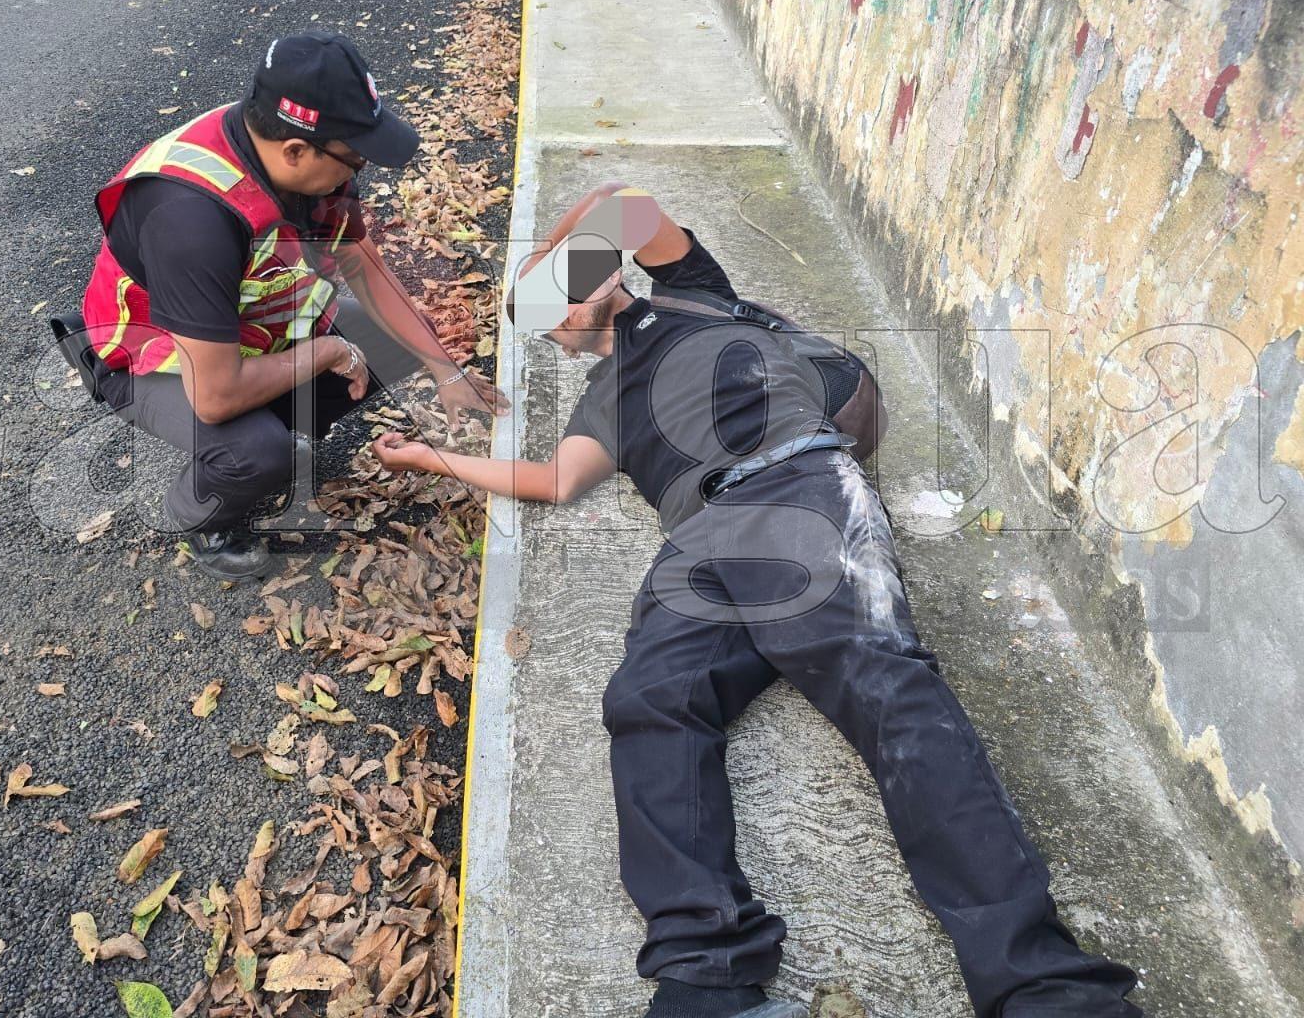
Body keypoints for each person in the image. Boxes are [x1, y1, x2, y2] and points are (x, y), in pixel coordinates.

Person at [371, 183, 1145, 1018]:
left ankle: (1041, 987)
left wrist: (542, 269)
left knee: (881, 684)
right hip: (701, 537)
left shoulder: (695, 297)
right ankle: (707, 973)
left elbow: (627, 208)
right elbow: (551, 482)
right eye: (547, 319)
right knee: (648, 699)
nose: (559, 318)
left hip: (798, 484)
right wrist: (428, 460)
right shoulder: (600, 401)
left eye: (557, 296)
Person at [53, 32, 507, 580]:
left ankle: (271, 426)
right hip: (149, 355)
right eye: (355, 156)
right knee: (255, 455)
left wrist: (445, 368)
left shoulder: (291, 151)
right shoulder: (190, 218)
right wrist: (327, 352)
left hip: (242, 333)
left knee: (392, 341)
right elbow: (217, 396)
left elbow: (364, 266)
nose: (359, 170)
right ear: (296, 151)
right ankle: (199, 514)